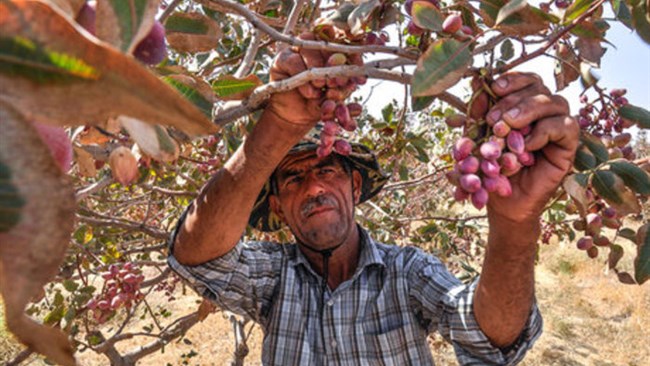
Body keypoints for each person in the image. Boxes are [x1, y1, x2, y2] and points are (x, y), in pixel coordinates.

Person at [167, 45, 580, 365]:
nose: (313, 189)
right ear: (276, 205)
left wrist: (514, 221)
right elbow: (198, 257)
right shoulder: (273, 276)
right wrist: (279, 127)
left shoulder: (408, 272)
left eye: (328, 171)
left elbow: (491, 339)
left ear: (354, 184)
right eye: (294, 178)